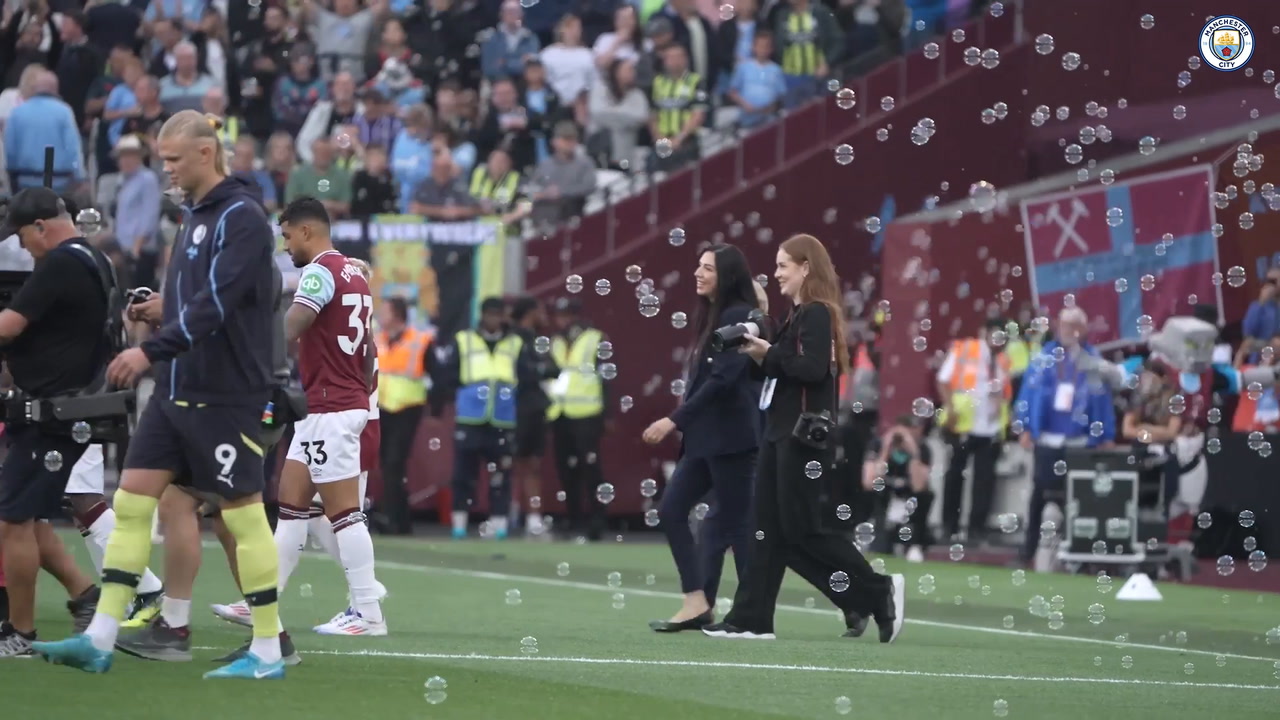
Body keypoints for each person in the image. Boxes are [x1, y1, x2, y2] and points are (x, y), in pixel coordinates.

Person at [33, 111, 286, 679]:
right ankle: (100, 637)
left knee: (243, 517)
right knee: (130, 503)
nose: (166, 169)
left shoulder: (241, 218)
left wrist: (151, 350)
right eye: (162, 159)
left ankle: (269, 649)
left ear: (205, 153)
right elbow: (200, 303)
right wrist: (162, 319)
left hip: (226, 392)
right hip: (179, 388)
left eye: (173, 159)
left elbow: (219, 304)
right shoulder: (196, 216)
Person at [702, 234, 905, 643]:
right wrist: (760, 355)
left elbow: (811, 370)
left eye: (783, 266)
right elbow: (786, 372)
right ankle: (751, 619)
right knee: (770, 533)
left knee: (800, 532)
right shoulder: (800, 316)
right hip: (783, 432)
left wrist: (768, 355)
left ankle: (875, 590)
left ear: (805, 267)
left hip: (801, 437)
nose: (775, 274)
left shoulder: (815, 313)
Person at [0, 188, 114, 657]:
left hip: (51, 410)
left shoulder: (62, 263)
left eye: (24, 239)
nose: (24, 249)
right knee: (21, 510)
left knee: (13, 519)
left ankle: (21, 634)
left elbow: (10, 325)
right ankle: (84, 594)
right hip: (65, 407)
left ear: (42, 226)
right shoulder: (93, 258)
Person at [269, 197, 384, 636]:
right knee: (291, 507)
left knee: (343, 514)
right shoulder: (355, 272)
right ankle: (260, 600)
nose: (285, 247)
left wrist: (247, 352)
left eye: (286, 236)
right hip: (330, 404)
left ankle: (368, 612)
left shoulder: (319, 271)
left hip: (331, 407)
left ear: (305, 231)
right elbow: (367, 348)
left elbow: (292, 325)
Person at [642, 244, 761, 632]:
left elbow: (724, 380)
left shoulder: (739, 315)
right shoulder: (712, 316)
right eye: (698, 265)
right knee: (671, 511)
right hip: (704, 440)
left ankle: (752, 614)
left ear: (726, 275)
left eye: (707, 267)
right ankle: (696, 601)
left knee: (739, 526)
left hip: (731, 438)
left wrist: (674, 419)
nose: (698, 272)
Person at [1014, 306, 1116, 568]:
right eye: (1064, 324)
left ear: (1082, 329)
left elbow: (1102, 400)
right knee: (1039, 496)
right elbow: (1028, 393)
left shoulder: (1092, 361)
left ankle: (1079, 554)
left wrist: (1105, 434)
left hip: (1079, 441)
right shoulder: (1044, 358)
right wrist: (1024, 426)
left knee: (1080, 498)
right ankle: (1028, 551)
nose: (1067, 330)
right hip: (1048, 439)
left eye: (1073, 325)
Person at [434, 297, 539, 539]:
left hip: (502, 419)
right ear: (482, 315)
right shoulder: (464, 339)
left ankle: (499, 524)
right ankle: (459, 523)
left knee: (501, 474)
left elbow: (525, 378)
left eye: (498, 314)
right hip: (470, 417)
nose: (493, 319)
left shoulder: (514, 343)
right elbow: (448, 375)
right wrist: (462, 395)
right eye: (489, 314)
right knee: (463, 474)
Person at [936, 317, 1011, 544]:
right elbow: (943, 380)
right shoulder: (965, 350)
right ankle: (949, 526)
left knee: (984, 479)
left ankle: (977, 528)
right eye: (994, 334)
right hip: (962, 424)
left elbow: (1002, 389)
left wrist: (1001, 404)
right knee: (955, 475)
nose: (997, 340)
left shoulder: (1002, 360)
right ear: (984, 332)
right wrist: (950, 408)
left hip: (989, 427)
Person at [548, 297, 610, 540]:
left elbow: (607, 377)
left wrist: (608, 413)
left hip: (588, 412)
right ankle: (574, 518)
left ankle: (597, 518)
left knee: (590, 467)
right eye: (558, 316)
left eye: (565, 315)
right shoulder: (555, 341)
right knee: (566, 468)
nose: (561, 321)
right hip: (559, 411)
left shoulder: (595, 338)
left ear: (576, 316)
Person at [372, 296, 431, 535]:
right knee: (385, 465)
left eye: (384, 311)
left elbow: (436, 374)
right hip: (381, 408)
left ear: (397, 314)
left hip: (407, 408)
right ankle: (392, 517)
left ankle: (396, 520)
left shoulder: (420, 341)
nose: (379, 316)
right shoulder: (378, 339)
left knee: (394, 463)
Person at [509, 295, 559, 536]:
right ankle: (510, 514)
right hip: (515, 407)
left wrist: (539, 370)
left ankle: (533, 518)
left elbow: (554, 368)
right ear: (530, 312)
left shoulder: (538, 339)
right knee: (516, 462)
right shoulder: (514, 338)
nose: (544, 314)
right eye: (540, 309)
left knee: (532, 463)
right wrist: (538, 370)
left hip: (536, 408)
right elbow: (524, 371)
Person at [863, 415, 934, 562]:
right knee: (880, 548)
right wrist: (885, 450)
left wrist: (913, 453)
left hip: (910, 505)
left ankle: (915, 545)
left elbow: (919, 486)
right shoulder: (878, 445)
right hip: (885, 502)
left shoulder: (922, 449)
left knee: (926, 496)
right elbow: (869, 482)